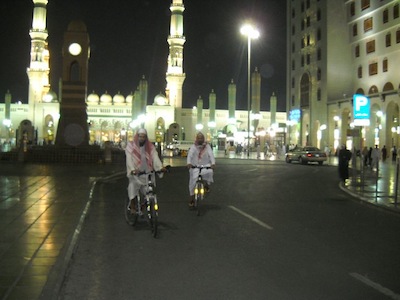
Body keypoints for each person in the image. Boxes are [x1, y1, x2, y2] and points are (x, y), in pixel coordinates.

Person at [125, 128, 166, 214]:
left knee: (149, 191)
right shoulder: (131, 146)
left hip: (147, 172)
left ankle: (144, 206)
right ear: (137, 136)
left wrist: (160, 167)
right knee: (133, 187)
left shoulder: (150, 147)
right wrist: (132, 169)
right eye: (140, 136)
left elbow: (155, 157)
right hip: (136, 173)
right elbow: (129, 159)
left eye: (144, 137)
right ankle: (132, 204)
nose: (142, 139)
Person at [186, 132, 216, 207]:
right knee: (192, 183)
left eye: (201, 138)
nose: (200, 139)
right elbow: (190, 155)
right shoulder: (193, 147)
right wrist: (189, 163)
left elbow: (211, 155)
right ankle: (192, 199)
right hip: (194, 166)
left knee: (209, 172)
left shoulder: (207, 146)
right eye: (198, 138)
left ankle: (206, 185)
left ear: (203, 139)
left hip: (205, 165)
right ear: (196, 139)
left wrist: (213, 163)